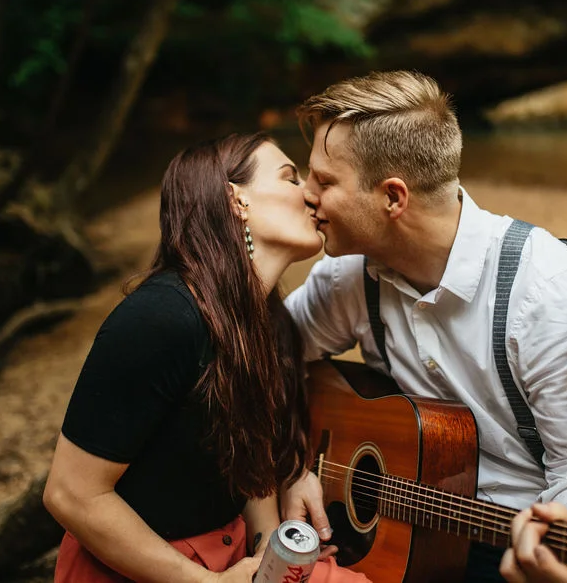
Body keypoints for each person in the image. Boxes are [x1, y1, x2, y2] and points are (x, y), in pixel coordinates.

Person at [280, 70, 567, 583]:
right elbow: (261, 359)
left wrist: (562, 546)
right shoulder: (350, 277)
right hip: (410, 538)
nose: (306, 195)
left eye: (324, 181)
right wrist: (292, 464)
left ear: (394, 197)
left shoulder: (549, 290)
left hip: (520, 541)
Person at [43, 133, 370, 583]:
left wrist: (271, 561)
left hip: (231, 551)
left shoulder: (270, 324)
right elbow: (70, 494)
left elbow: (251, 463)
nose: (311, 194)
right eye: (290, 177)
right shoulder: (161, 318)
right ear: (234, 199)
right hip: (142, 566)